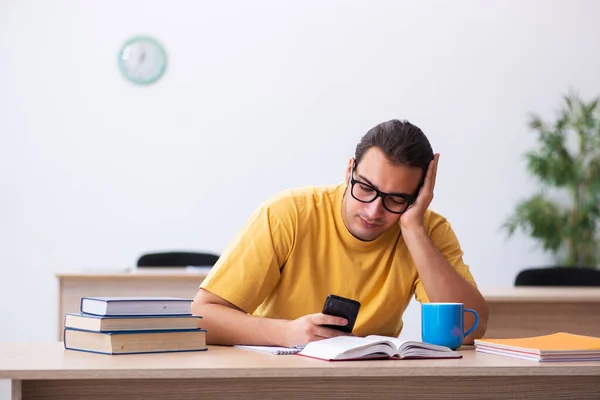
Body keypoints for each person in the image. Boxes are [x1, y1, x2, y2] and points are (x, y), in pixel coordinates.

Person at [192, 119, 488, 346]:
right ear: (350, 171)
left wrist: (412, 227)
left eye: (396, 199)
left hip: (370, 384)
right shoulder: (289, 213)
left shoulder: (427, 230)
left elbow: (467, 330)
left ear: (419, 196)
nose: (373, 211)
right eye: (366, 188)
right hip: (278, 376)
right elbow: (202, 316)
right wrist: (288, 332)